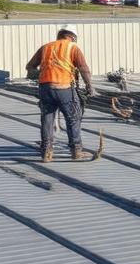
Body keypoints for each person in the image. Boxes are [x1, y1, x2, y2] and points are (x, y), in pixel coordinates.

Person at [26, 25, 95, 162]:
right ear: (73, 37)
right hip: (64, 89)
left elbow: (30, 66)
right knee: (73, 118)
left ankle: (46, 153)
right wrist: (89, 86)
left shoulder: (46, 47)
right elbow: (83, 68)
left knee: (47, 119)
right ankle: (76, 151)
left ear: (60, 34)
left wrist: (41, 74)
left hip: (46, 88)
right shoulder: (72, 47)